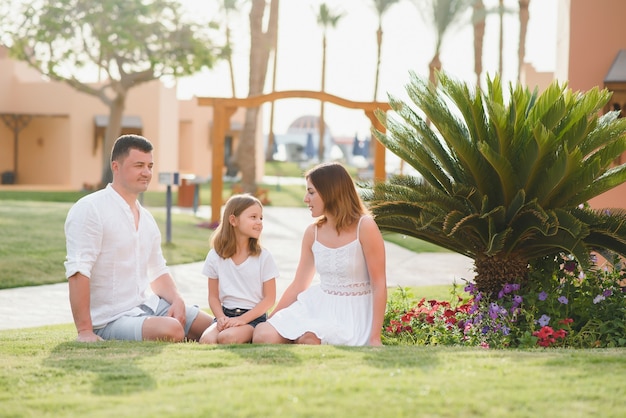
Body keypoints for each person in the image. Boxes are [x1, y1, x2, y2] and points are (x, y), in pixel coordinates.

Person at [64, 134, 214, 342]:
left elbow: (158, 271)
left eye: (150, 166)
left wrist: (177, 300)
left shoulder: (147, 218)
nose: (146, 172)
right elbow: (78, 271)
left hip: (150, 307)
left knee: (213, 328)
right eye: (139, 165)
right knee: (172, 329)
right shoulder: (90, 209)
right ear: (115, 167)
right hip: (111, 320)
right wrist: (85, 331)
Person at [253, 162, 387, 346]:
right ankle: (295, 337)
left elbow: (379, 284)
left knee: (309, 340)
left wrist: (375, 338)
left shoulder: (365, 227)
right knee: (262, 334)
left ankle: (301, 339)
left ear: (330, 192)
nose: (305, 199)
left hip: (352, 312)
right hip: (318, 304)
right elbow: (299, 285)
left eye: (311, 192)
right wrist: (273, 320)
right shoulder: (312, 232)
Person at [199, 194, 278, 344]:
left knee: (226, 338)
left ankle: (245, 334)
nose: (259, 222)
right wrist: (221, 318)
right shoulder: (215, 256)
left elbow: (269, 299)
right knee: (206, 340)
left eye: (261, 218)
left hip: (253, 318)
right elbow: (213, 297)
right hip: (226, 315)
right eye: (253, 217)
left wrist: (242, 320)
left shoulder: (264, 257)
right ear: (233, 220)